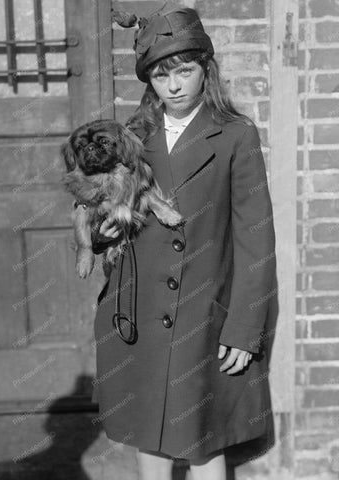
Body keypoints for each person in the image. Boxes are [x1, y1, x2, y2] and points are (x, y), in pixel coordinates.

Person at [91, 6, 278, 480]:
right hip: (138, 306)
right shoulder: (131, 137)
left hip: (203, 312)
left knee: (201, 438)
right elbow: (97, 201)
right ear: (148, 80)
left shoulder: (236, 135)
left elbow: (256, 239)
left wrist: (244, 327)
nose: (174, 86)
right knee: (146, 431)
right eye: (160, 76)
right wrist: (101, 231)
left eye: (185, 72)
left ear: (205, 71)